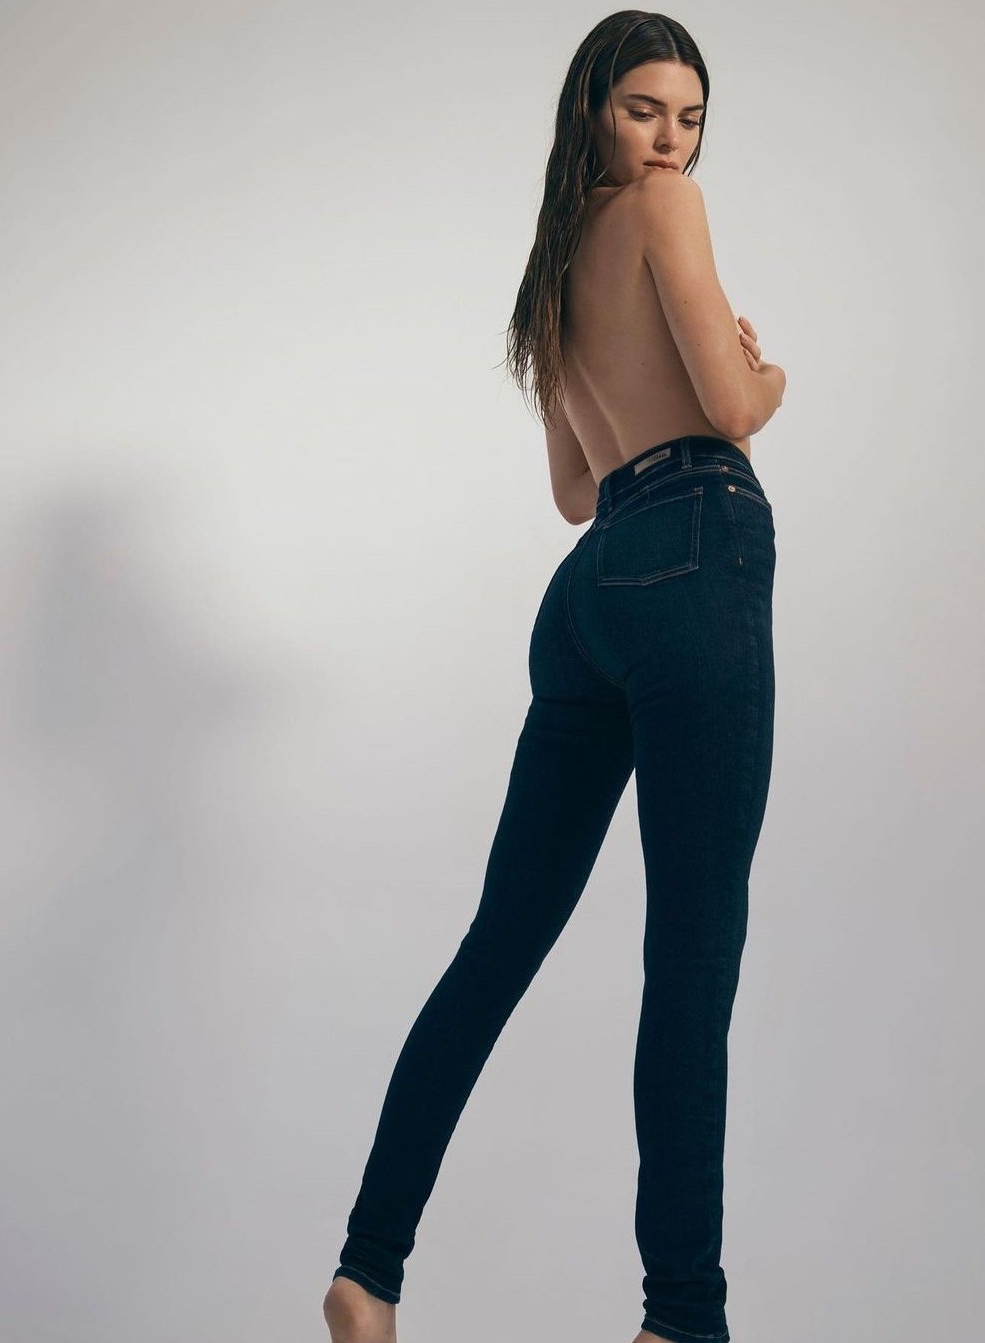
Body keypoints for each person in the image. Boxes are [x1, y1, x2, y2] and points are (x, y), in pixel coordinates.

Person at [324, 11, 785, 1343]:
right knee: (692, 955)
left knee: (499, 942)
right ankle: (680, 1319)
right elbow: (733, 411)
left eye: (689, 119)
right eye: (645, 110)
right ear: (592, 107)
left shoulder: (551, 270)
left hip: (592, 594)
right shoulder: (668, 209)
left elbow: (577, 488)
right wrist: (764, 371)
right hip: (695, 548)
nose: (670, 141)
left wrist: (691, 380)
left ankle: (367, 1272)